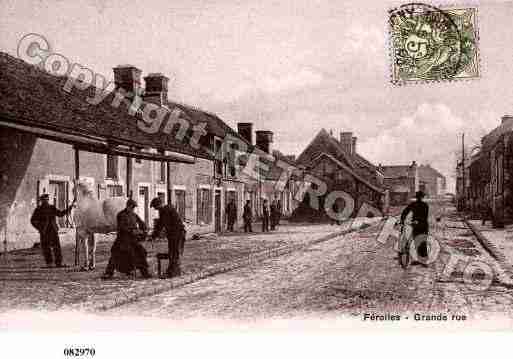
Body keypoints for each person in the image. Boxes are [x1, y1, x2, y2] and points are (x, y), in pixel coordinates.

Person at [102, 199, 152, 279]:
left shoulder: (134, 215)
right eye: (132, 207)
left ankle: (144, 272)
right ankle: (108, 273)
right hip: (122, 240)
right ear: (128, 206)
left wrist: (144, 228)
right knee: (115, 255)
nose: (133, 209)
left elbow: (141, 223)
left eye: (134, 208)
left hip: (133, 240)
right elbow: (122, 228)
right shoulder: (121, 215)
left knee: (141, 252)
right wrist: (132, 231)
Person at [30, 194, 74, 268]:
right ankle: (49, 263)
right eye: (44, 200)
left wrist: (69, 208)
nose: (46, 201)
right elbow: (33, 220)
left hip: (53, 230)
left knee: (57, 247)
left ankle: (58, 263)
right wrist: (40, 228)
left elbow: (60, 214)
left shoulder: (52, 208)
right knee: (46, 248)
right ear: (41, 201)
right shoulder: (38, 209)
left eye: (47, 200)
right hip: (44, 231)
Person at [150, 197, 186, 278]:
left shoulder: (165, 211)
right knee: (173, 253)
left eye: (155, 207)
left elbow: (161, 224)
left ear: (158, 205)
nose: (156, 209)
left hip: (177, 234)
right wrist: (154, 235)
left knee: (173, 253)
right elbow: (161, 224)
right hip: (175, 234)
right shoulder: (165, 209)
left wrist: (154, 235)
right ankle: (175, 271)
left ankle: (171, 273)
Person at [400, 191, 429, 260]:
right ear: (422, 197)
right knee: (422, 241)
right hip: (423, 225)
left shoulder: (413, 204)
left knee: (418, 241)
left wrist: (402, 220)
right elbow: (425, 216)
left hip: (418, 225)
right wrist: (403, 220)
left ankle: (421, 258)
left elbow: (405, 212)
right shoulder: (425, 205)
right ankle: (423, 257)